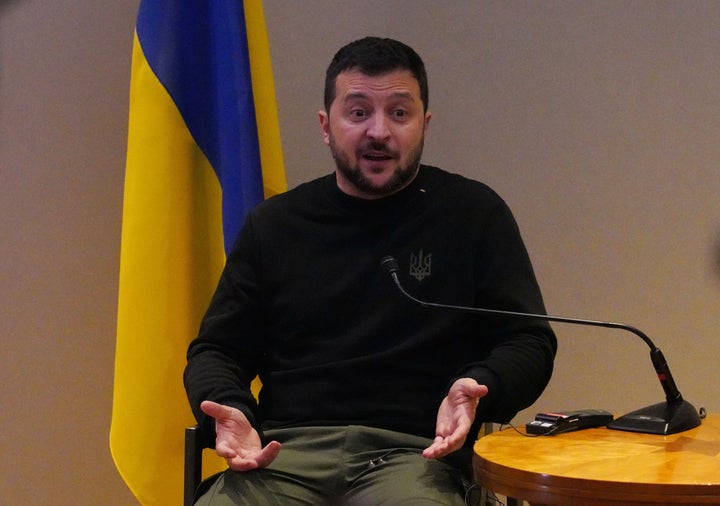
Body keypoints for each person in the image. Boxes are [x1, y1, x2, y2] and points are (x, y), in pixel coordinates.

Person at [184, 36, 557, 505]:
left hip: (416, 456)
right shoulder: (274, 225)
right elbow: (217, 349)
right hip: (284, 454)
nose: (379, 132)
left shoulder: (473, 214)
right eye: (358, 113)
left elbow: (528, 339)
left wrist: (479, 386)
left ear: (425, 123)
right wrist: (233, 408)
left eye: (399, 113)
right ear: (326, 125)